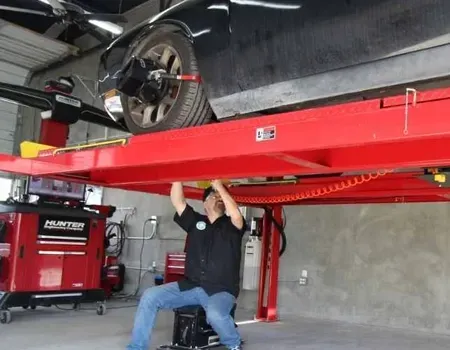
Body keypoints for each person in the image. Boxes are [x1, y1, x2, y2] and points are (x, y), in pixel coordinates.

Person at [126, 180, 246, 350]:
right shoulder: (196, 222)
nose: (219, 198)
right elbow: (178, 201)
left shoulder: (232, 226)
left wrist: (218, 186)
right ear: (205, 203)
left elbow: (236, 215)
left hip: (221, 290)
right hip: (190, 286)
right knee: (150, 296)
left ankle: (233, 344)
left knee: (215, 314)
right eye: (214, 196)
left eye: (221, 196)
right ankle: (137, 347)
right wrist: (179, 176)